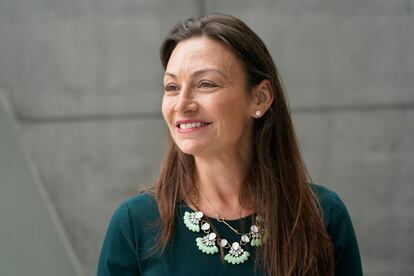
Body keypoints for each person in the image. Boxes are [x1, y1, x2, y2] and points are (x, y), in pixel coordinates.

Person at [97, 13, 363, 276]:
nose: (182, 104)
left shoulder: (322, 216)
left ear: (260, 98)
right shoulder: (135, 223)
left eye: (206, 84)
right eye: (172, 87)